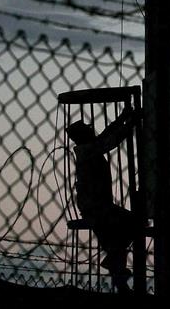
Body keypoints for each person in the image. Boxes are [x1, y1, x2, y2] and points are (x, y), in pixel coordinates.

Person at [66, 108, 139, 293]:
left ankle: (119, 279)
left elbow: (105, 136)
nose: (92, 131)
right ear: (83, 135)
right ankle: (116, 270)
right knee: (131, 224)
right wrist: (128, 126)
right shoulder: (87, 150)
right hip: (97, 207)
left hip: (97, 206)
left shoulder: (89, 148)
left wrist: (122, 119)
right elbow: (109, 140)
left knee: (115, 240)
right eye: (88, 129)